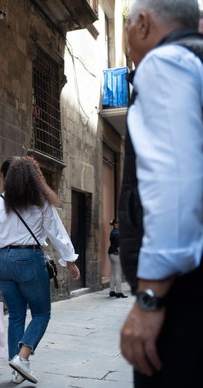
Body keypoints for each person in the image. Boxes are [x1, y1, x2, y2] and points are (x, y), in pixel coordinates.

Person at [118, 1, 203, 386]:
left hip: (185, 294)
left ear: (143, 23)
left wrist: (150, 298)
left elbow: (176, 188)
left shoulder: (165, 62)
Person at [0, 156, 80, 384]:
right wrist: (70, 261)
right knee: (42, 313)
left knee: (15, 315)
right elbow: (57, 233)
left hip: (3, 262)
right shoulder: (40, 203)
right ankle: (22, 359)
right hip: (29, 260)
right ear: (34, 178)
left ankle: (16, 370)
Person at [107, 219, 126, 298]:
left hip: (111, 253)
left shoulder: (112, 232)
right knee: (118, 273)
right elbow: (119, 247)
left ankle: (112, 290)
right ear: (115, 224)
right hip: (116, 254)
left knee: (113, 272)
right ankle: (119, 292)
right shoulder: (118, 233)